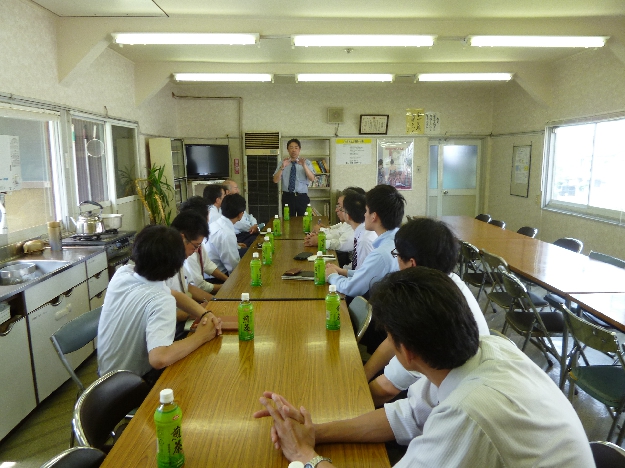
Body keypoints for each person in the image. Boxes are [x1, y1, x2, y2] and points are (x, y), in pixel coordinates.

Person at [254, 267, 595, 468]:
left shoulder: (468, 413)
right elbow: (407, 415)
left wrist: (306, 455)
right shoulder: (486, 349)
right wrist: (317, 432)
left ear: (406, 352)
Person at [365, 217, 489, 407]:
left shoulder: (427, 310)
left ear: (412, 263)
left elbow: (387, 388)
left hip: (456, 404)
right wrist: (363, 373)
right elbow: (393, 341)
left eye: (397, 254)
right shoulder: (449, 282)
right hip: (453, 388)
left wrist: (349, 398)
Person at [97, 225, 222, 386]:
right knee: (200, 375)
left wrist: (205, 313)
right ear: (176, 268)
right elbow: (159, 358)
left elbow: (174, 293)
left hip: (105, 376)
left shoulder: (123, 273)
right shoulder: (161, 301)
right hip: (129, 386)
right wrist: (201, 336)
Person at [325, 184, 405, 299]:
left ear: (373, 216)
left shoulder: (380, 254)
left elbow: (352, 288)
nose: (364, 215)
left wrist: (332, 276)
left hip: (376, 307)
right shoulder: (398, 239)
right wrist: (343, 272)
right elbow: (368, 273)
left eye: (366, 211)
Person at [316, 191, 377, 274]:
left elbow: (361, 277)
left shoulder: (364, 240)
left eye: (341, 209)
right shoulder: (360, 232)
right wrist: (340, 270)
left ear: (347, 216)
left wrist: (334, 276)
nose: (337, 210)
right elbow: (358, 268)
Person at [178, 196, 228, 291]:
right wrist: (226, 288)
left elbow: (207, 264)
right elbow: (198, 286)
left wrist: (228, 281)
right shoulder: (187, 249)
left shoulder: (195, 238)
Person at [303, 190, 357, 265]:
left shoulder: (357, 228)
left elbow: (341, 243)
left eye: (340, 207)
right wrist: (320, 237)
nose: (336, 210)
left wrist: (320, 241)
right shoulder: (348, 223)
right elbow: (337, 234)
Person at [206, 193, 247, 275]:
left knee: (248, 251)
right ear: (241, 214)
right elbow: (233, 267)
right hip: (218, 275)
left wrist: (236, 245)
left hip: (209, 270)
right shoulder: (226, 234)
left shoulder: (216, 223)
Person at [273, 138, 315, 216]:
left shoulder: (306, 162)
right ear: (287, 149)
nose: (293, 150)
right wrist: (282, 167)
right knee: (287, 222)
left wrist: (304, 165)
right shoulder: (283, 162)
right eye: (291, 148)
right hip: (287, 197)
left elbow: (312, 178)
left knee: (304, 221)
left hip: (302, 197)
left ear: (299, 149)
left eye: (296, 148)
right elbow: (275, 180)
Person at [222, 179, 259, 247]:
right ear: (227, 192)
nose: (238, 191)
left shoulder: (237, 203)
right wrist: (252, 228)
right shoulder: (227, 206)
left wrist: (254, 224)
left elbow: (249, 216)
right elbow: (240, 224)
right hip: (240, 235)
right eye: (236, 188)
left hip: (248, 231)